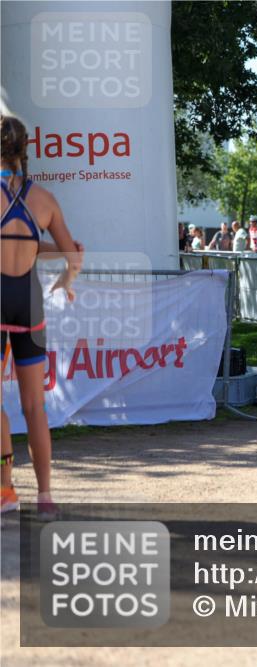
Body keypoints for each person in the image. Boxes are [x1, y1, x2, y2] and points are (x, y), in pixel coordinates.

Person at [1, 114, 83, 519]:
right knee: (36, 406)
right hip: (29, 303)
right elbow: (75, 253)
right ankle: (46, 496)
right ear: (25, 150)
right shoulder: (44, 199)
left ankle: (6, 490)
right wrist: (65, 282)